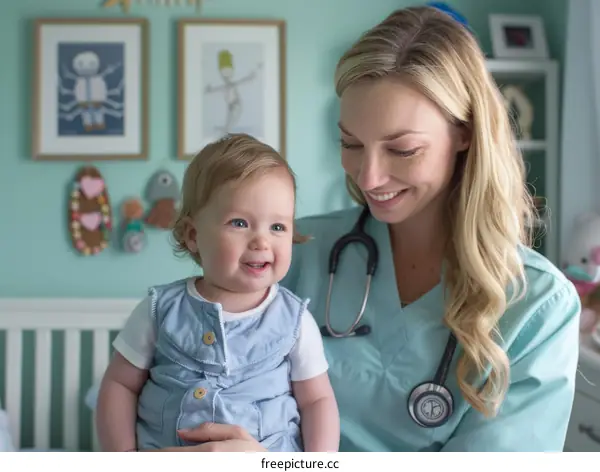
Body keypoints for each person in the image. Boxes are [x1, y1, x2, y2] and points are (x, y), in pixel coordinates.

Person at [147, 5, 581, 452]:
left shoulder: (537, 307)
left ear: (465, 133)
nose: (367, 177)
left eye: (403, 149)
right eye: (351, 144)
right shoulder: (290, 257)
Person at [95, 133, 340, 452]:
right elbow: (119, 385)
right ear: (193, 235)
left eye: (277, 227)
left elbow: (318, 401)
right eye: (240, 223)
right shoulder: (159, 310)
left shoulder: (295, 321)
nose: (261, 241)